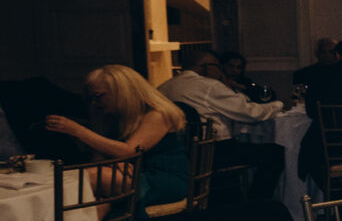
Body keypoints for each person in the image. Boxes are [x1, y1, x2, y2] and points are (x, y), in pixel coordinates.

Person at [45, 65, 190, 208]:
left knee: (91, 177)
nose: (94, 103)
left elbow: (129, 151)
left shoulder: (157, 114)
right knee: (98, 198)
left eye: (98, 96)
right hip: (128, 175)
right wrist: (113, 161)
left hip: (162, 178)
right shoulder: (111, 115)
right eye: (90, 99)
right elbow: (97, 157)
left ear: (122, 91)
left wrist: (77, 130)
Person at [159, 48, 286, 201]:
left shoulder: (163, 87)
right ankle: (257, 204)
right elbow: (250, 113)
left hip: (181, 153)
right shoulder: (209, 86)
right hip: (214, 151)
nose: (220, 71)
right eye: (217, 66)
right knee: (275, 153)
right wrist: (278, 105)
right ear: (207, 67)